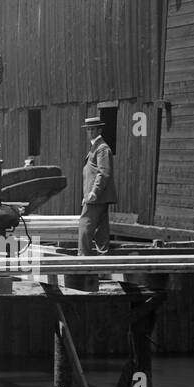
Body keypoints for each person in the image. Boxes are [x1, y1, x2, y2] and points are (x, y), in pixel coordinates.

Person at [79, 116, 115, 276]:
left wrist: (94, 192)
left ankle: (83, 259)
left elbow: (103, 172)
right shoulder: (96, 147)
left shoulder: (101, 148)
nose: (90, 132)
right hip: (96, 196)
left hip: (96, 196)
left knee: (85, 225)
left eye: (93, 129)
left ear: (100, 130)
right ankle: (103, 260)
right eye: (88, 129)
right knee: (101, 229)